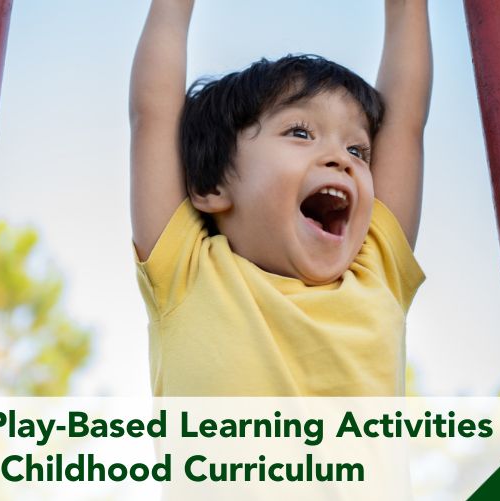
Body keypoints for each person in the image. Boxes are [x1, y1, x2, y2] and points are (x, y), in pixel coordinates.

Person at [130, 0, 432, 396]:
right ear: (211, 187)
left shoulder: (377, 271)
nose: (341, 158)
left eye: (358, 150)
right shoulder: (188, 274)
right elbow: (152, 113)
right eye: (301, 132)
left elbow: (405, 121)